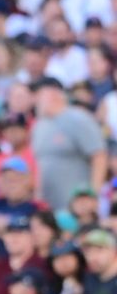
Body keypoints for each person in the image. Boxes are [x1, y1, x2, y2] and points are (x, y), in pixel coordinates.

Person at [31, 77, 106, 211]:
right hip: (48, 207)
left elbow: (99, 156)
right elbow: (39, 164)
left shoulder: (78, 118)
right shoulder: (39, 126)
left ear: (52, 94)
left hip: (76, 206)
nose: (34, 100)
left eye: (38, 95)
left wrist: (94, 194)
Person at [79, 229, 117, 294]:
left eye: (99, 250)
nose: (91, 257)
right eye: (88, 251)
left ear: (114, 251)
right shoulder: (90, 278)